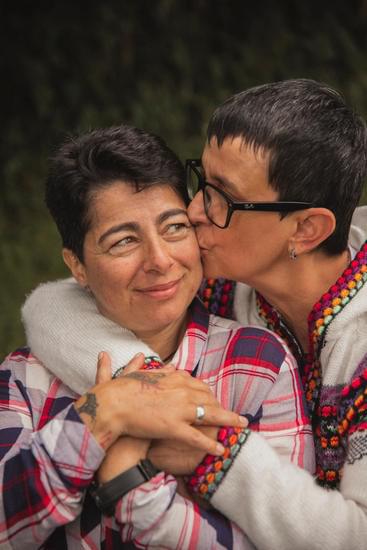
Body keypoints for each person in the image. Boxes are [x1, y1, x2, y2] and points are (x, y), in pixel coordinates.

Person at [23, 79, 367, 549]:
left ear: (306, 229)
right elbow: (54, 305)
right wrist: (136, 392)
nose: (194, 210)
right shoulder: (227, 283)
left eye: (222, 197)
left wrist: (207, 448)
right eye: (200, 181)